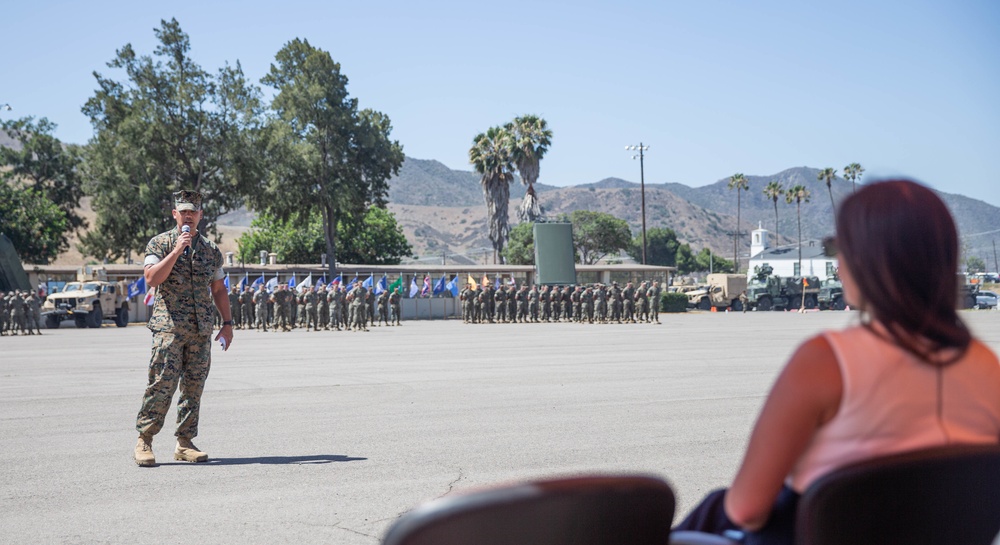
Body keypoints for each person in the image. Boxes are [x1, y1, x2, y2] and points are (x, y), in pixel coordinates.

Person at [673, 180, 1000, 544]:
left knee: (715, 508)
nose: (837, 260)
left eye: (837, 246)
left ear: (867, 258)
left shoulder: (826, 361)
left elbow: (747, 509)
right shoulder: (987, 367)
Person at [133, 190, 233, 467]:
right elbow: (152, 278)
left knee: (193, 388)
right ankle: (145, 440)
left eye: (194, 211)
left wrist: (227, 324)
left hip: (201, 331)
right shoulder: (160, 243)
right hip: (169, 330)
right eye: (184, 211)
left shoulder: (211, 251)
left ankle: (185, 443)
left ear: (200, 216)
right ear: (175, 214)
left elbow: (219, 289)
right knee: (161, 385)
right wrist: (177, 251)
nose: (189, 215)